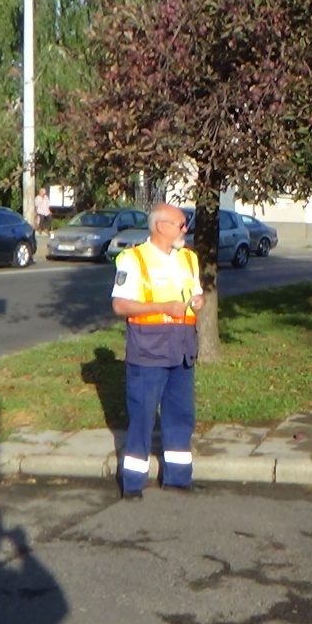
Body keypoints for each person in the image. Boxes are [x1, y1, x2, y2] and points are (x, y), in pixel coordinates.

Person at [110, 203, 205, 499]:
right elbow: (120, 305)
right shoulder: (133, 259)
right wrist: (164, 308)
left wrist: (198, 301)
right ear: (161, 226)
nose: (185, 229)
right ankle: (133, 484)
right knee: (142, 417)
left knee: (181, 415)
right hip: (149, 348)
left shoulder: (189, 258)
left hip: (182, 348)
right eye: (180, 224)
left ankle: (178, 477)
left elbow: (195, 292)